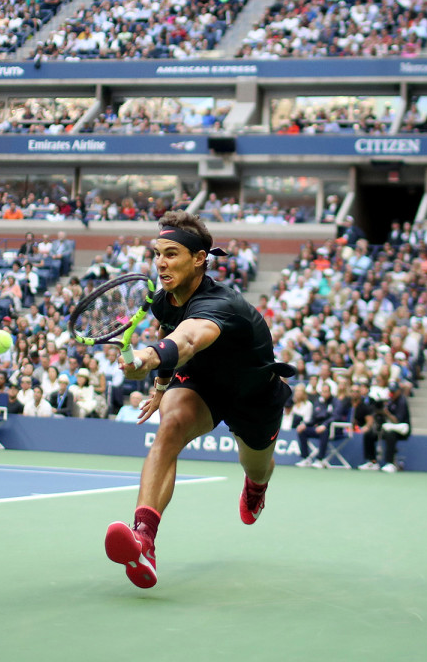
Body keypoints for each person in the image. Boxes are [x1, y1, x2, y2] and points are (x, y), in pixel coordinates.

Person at [104, 211, 295, 589]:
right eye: (157, 254)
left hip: (253, 395)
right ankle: (143, 538)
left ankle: (256, 487)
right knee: (170, 427)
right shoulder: (164, 300)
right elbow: (170, 331)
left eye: (171, 254)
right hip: (202, 384)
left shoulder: (221, 305)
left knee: (257, 466)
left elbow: (188, 339)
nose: (160, 263)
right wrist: (161, 386)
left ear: (199, 258)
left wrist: (147, 357)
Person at [359, 387, 410, 472]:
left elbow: (397, 421)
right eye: (391, 392)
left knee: (390, 435)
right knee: (369, 434)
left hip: (400, 430)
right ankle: (372, 462)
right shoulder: (388, 402)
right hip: (385, 428)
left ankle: (390, 463)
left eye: (394, 392)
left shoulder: (401, 402)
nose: (392, 394)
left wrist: (387, 413)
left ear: (398, 391)